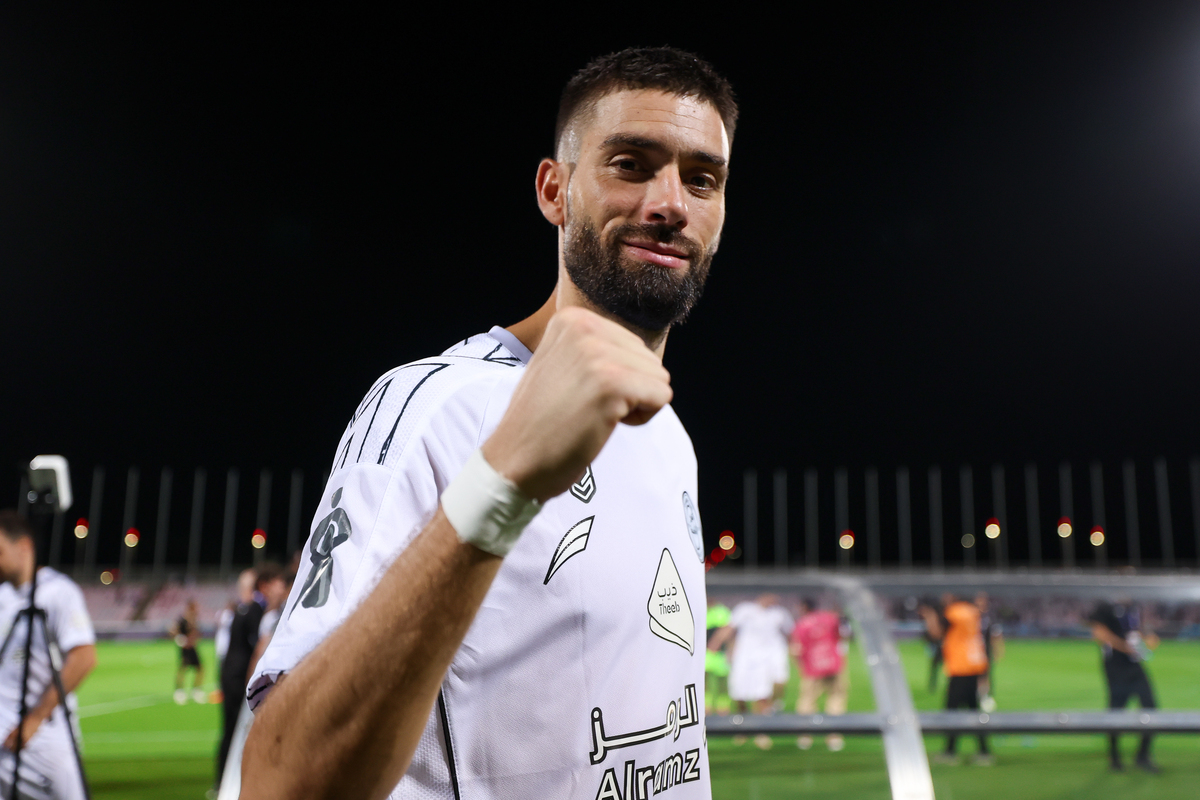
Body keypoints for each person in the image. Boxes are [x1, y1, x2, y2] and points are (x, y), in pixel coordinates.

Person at [242, 46, 736, 799]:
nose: (670, 202)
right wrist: (498, 488)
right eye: (631, 164)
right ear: (554, 190)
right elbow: (283, 779)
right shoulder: (436, 406)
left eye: (702, 179)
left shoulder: (669, 434)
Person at [0, 510, 96, 800]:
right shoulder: (3, 596)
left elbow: (83, 658)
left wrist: (35, 719)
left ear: (24, 547)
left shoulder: (57, 592)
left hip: (42, 742)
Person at [215, 563, 284, 789]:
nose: (280, 589)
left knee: (230, 730)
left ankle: (223, 780)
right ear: (264, 586)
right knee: (237, 731)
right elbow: (257, 647)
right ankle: (231, 782)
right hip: (238, 678)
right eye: (276, 584)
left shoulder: (245, 608)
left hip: (229, 674)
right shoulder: (256, 610)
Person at [709, 594, 792, 749]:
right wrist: (716, 643)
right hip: (744, 659)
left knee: (761, 696)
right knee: (739, 694)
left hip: (765, 661)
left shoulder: (778, 614)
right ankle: (743, 728)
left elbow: (789, 632)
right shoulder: (745, 610)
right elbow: (729, 628)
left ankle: (761, 732)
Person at [1089, 599, 1160, 773]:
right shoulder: (1105, 605)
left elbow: (1137, 629)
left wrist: (1148, 637)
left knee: (1151, 708)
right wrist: (1124, 647)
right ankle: (1114, 758)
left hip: (1135, 665)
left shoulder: (1134, 604)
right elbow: (1098, 633)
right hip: (1115, 667)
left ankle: (1142, 756)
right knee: (1116, 711)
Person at [922, 593, 991, 765]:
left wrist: (929, 616)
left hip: (961, 667)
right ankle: (983, 752)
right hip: (973, 664)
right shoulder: (971, 611)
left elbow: (936, 633)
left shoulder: (955, 612)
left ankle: (951, 752)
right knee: (973, 710)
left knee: (952, 710)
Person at [791, 598, 849, 752]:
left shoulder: (802, 624)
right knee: (836, 699)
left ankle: (805, 736)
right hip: (833, 664)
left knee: (807, 700)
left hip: (812, 667)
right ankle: (834, 737)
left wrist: (800, 665)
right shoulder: (830, 618)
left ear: (803, 607)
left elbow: (796, 648)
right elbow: (842, 636)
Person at [171, 599, 206, 705]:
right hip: (185, 649)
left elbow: (197, 633)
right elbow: (173, 629)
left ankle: (196, 690)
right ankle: (179, 691)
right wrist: (180, 638)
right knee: (183, 669)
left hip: (193, 648)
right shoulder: (182, 620)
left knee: (200, 668)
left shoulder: (194, 620)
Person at [974, 592, 1004, 712]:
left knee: (985, 675)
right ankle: (978, 695)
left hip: (985, 652)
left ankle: (984, 696)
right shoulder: (972, 615)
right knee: (975, 675)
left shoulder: (990, 617)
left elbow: (996, 635)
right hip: (973, 652)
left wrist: (998, 650)